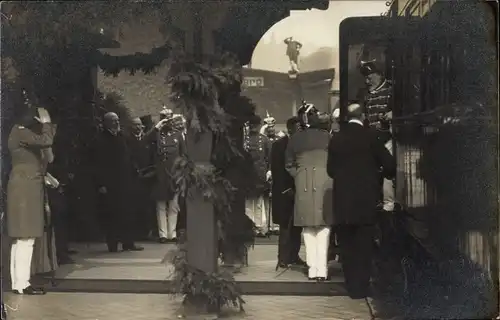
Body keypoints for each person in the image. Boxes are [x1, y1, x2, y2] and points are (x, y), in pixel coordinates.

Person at [326, 103, 396, 300]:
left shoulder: (336, 140)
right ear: (363, 116)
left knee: (347, 246)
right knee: (364, 245)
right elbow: (390, 165)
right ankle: (362, 288)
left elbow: (330, 170)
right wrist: (379, 174)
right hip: (366, 201)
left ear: (346, 118)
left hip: (343, 202)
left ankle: (352, 286)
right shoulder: (371, 136)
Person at [6, 105, 56, 295]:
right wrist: (47, 123)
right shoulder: (22, 133)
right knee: (26, 238)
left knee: (22, 239)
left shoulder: (19, 133)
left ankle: (18, 282)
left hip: (24, 187)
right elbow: (47, 139)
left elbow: (47, 154)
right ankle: (22, 283)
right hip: (26, 188)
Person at [285, 103, 333, 281]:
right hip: (325, 181)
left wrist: (299, 175)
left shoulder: (295, 139)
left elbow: (288, 164)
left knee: (307, 227)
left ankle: (312, 267)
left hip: (303, 181)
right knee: (324, 226)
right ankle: (322, 268)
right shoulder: (328, 137)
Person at [93, 112, 144, 252]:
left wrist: (134, 171)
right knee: (112, 214)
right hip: (110, 184)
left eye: (117, 120)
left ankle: (128, 242)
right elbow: (97, 163)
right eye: (113, 121)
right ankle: (113, 243)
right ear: (106, 123)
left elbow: (130, 155)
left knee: (127, 212)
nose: (116, 123)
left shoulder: (123, 137)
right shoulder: (100, 139)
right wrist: (101, 184)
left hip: (125, 181)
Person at [360, 59, 395, 214]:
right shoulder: (365, 95)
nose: (367, 81)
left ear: (378, 75)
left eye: (370, 77)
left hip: (388, 137)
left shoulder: (391, 90)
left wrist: (392, 114)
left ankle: (389, 204)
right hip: (371, 139)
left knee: (388, 170)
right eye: (366, 78)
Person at [271, 116, 305, 269]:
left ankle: (294, 255)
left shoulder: (302, 145)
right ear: (290, 128)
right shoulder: (279, 145)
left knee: (297, 225)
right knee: (285, 226)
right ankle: (283, 257)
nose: (299, 131)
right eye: (297, 128)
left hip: (299, 189)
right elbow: (277, 169)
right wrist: (286, 189)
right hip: (284, 191)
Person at [149, 109, 186, 244]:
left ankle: (172, 233)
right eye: (164, 119)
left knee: (173, 206)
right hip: (160, 175)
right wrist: (157, 127)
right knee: (160, 206)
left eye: (169, 119)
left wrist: (181, 174)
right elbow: (146, 140)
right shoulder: (157, 135)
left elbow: (184, 155)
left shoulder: (178, 135)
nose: (167, 122)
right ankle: (162, 234)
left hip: (174, 175)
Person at [126, 117, 156, 240]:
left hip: (148, 176)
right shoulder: (127, 140)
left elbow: (154, 157)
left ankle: (147, 231)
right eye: (135, 125)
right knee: (136, 205)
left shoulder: (148, 140)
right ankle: (137, 232)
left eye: (139, 125)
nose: (137, 127)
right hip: (134, 177)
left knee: (148, 206)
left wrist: (151, 172)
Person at [244, 116, 272, 237]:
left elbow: (270, 156)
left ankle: (261, 226)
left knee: (259, 202)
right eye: (252, 125)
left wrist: (270, 170)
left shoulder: (264, 140)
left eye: (255, 125)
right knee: (249, 203)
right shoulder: (244, 140)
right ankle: (251, 227)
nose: (254, 128)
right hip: (248, 174)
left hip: (261, 174)